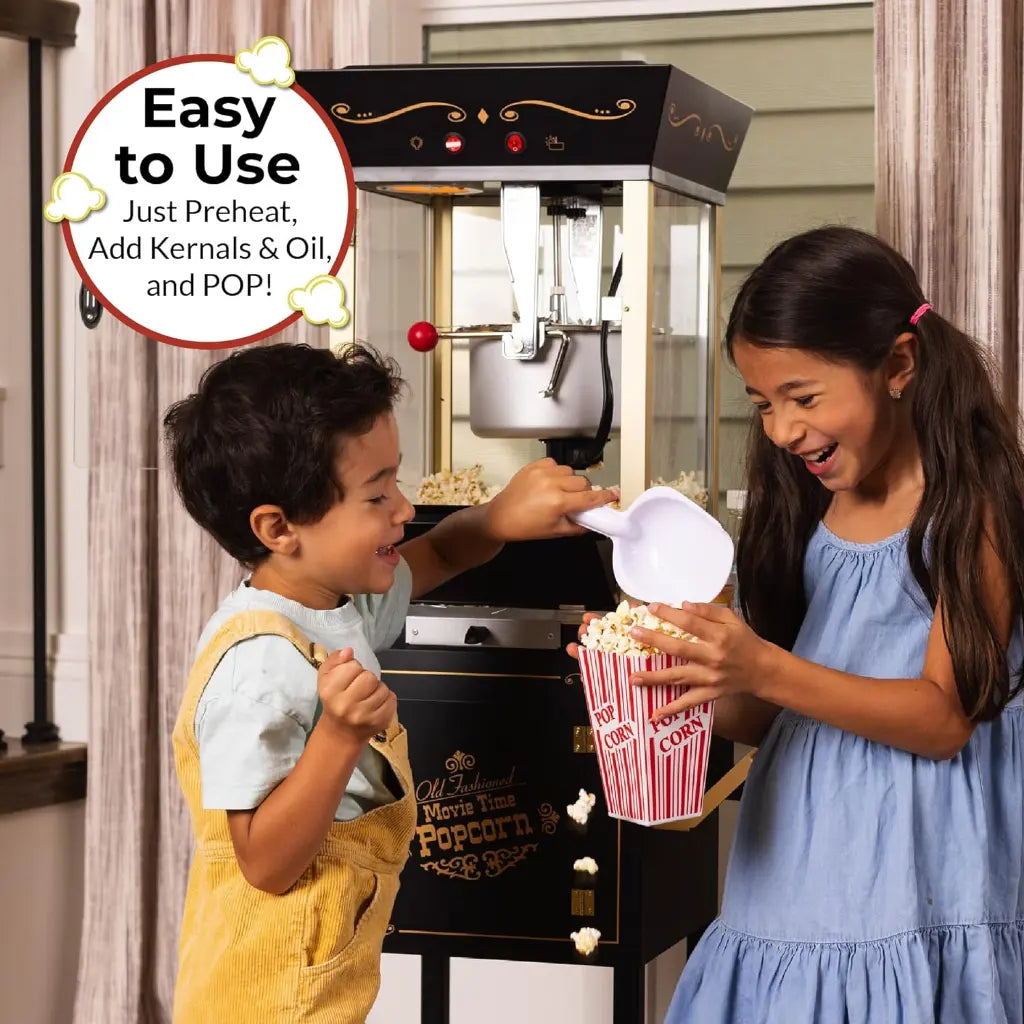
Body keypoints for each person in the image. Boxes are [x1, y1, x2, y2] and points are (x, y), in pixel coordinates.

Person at [589, 226, 1024, 1022]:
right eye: (762, 404)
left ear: (898, 365)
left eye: (803, 397)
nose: (783, 430)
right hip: (793, 863)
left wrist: (759, 666)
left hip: (917, 864)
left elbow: (943, 720)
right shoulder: (801, 503)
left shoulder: (974, 508)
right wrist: (689, 669)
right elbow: (769, 714)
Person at [163, 342, 616, 1024]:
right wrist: (339, 736)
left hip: (324, 971)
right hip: (266, 994)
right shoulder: (257, 665)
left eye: (395, 482)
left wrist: (498, 516)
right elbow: (264, 862)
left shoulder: (332, 604)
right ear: (278, 527)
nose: (403, 508)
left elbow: (436, 551)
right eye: (377, 494)